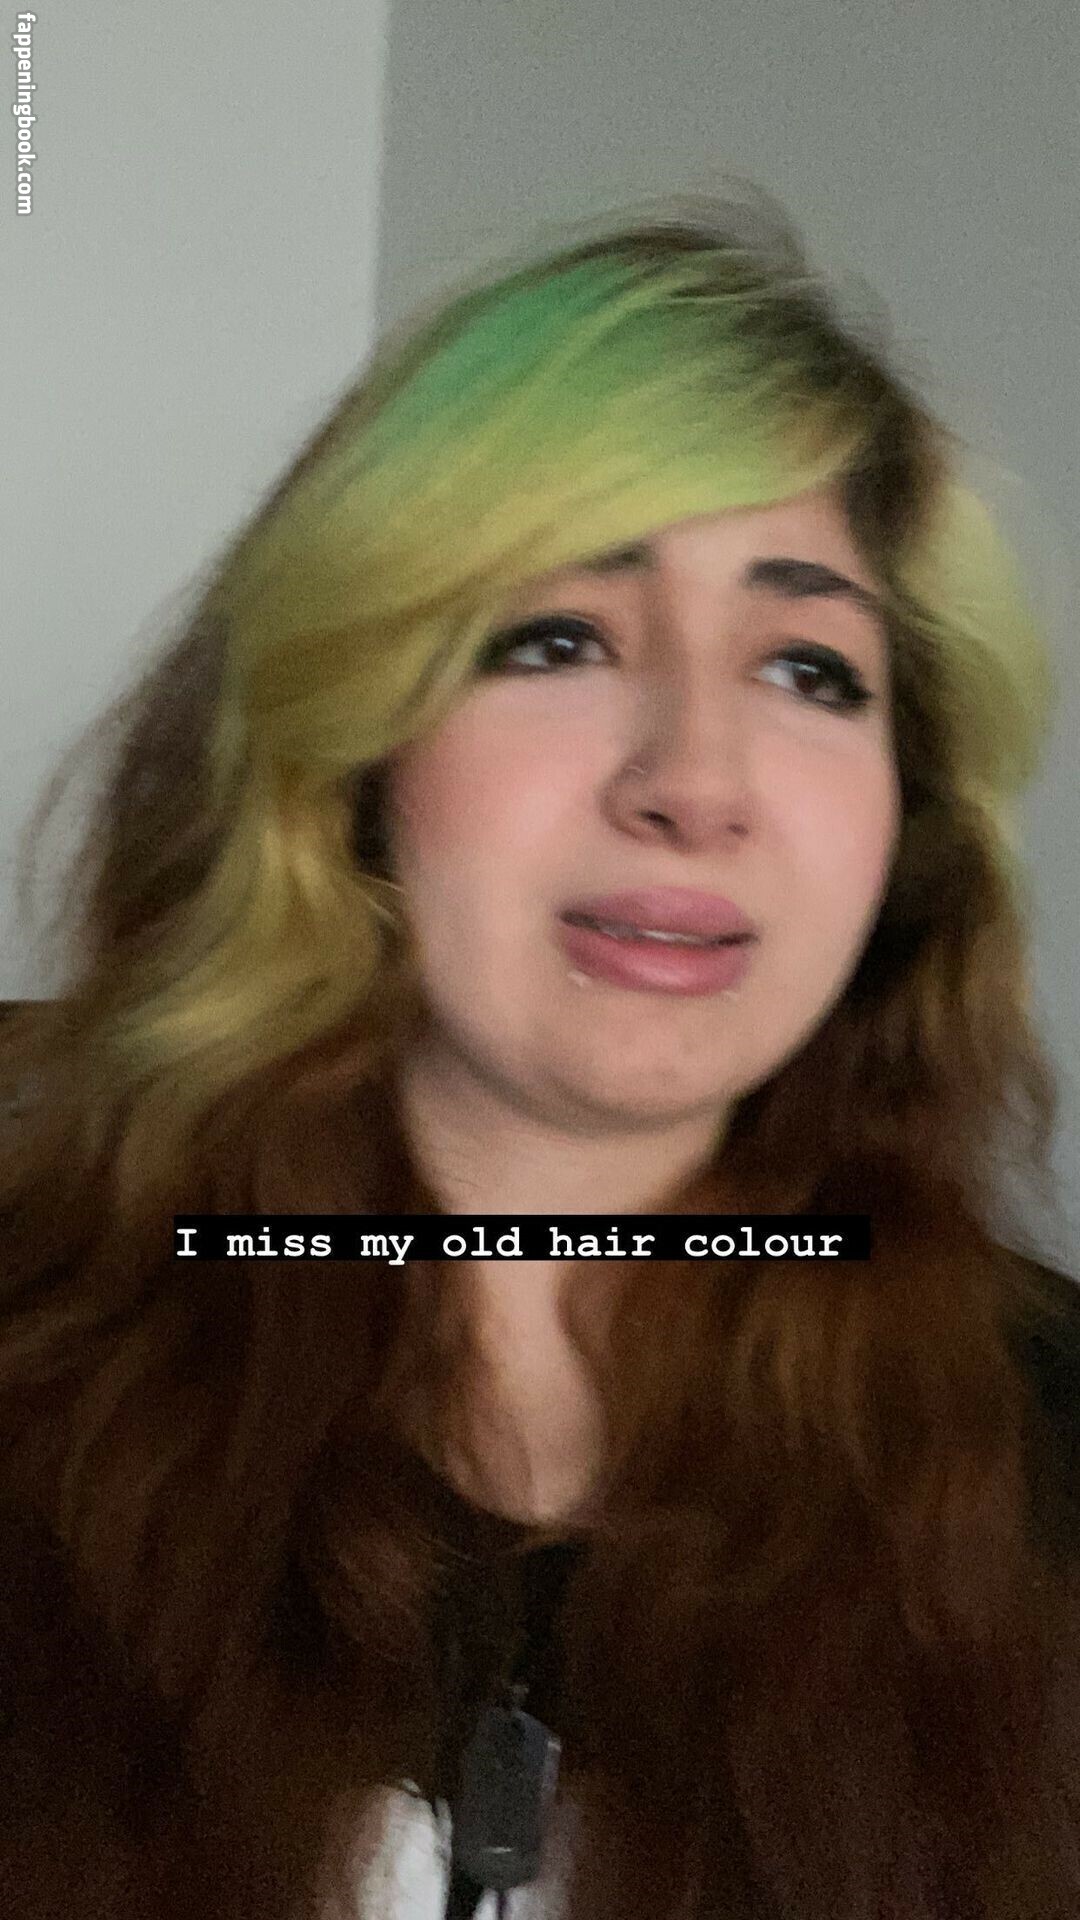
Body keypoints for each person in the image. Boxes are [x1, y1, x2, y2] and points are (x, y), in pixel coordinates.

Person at [1, 184, 1078, 1920]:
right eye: (559, 640)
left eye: (811, 669)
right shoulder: (38, 1372)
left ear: (912, 820)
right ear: (352, 757)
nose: (695, 781)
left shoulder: (1048, 1457)